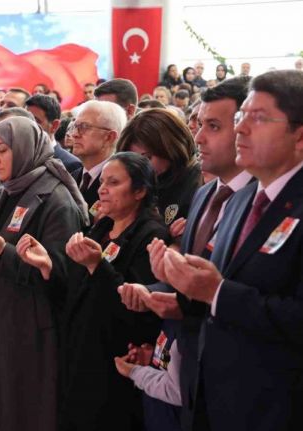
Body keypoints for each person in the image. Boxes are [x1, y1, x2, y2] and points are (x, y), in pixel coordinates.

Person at [157, 69, 303, 431]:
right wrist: (184, 291)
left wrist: (217, 292)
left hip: (277, 408)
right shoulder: (241, 199)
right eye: (240, 118)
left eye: (258, 118)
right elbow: (219, 295)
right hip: (214, 397)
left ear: (300, 136)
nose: (241, 129)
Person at [118, 76, 252, 431]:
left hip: (242, 380)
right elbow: (190, 285)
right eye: (200, 125)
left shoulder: (255, 199)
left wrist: (199, 296)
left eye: (214, 126)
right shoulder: (209, 195)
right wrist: (159, 289)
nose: (199, 138)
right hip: (185, 361)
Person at [0, 116, 87, 431]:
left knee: (22, 411)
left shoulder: (55, 200)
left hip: (31, 328)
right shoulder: (7, 192)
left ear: (25, 149)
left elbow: (60, 274)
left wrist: (2, 250)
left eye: (2, 150)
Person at [22, 152, 167, 429]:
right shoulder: (101, 227)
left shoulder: (151, 235)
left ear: (139, 191)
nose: (102, 189)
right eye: (102, 181)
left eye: (113, 182)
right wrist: (48, 269)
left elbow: (134, 307)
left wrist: (97, 265)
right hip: (78, 353)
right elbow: (73, 292)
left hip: (114, 360)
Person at [117, 108, 202, 226]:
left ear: (170, 149)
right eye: (133, 160)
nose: (139, 167)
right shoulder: (135, 182)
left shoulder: (198, 183)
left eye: (147, 158)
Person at [69, 100, 127, 216]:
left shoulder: (120, 185)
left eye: (84, 127)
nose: (74, 134)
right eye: (75, 126)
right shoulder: (71, 177)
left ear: (110, 137)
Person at [25, 94, 82, 172]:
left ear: (54, 126)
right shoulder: (18, 158)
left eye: (35, 121)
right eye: (24, 121)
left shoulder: (70, 164)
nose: (27, 126)